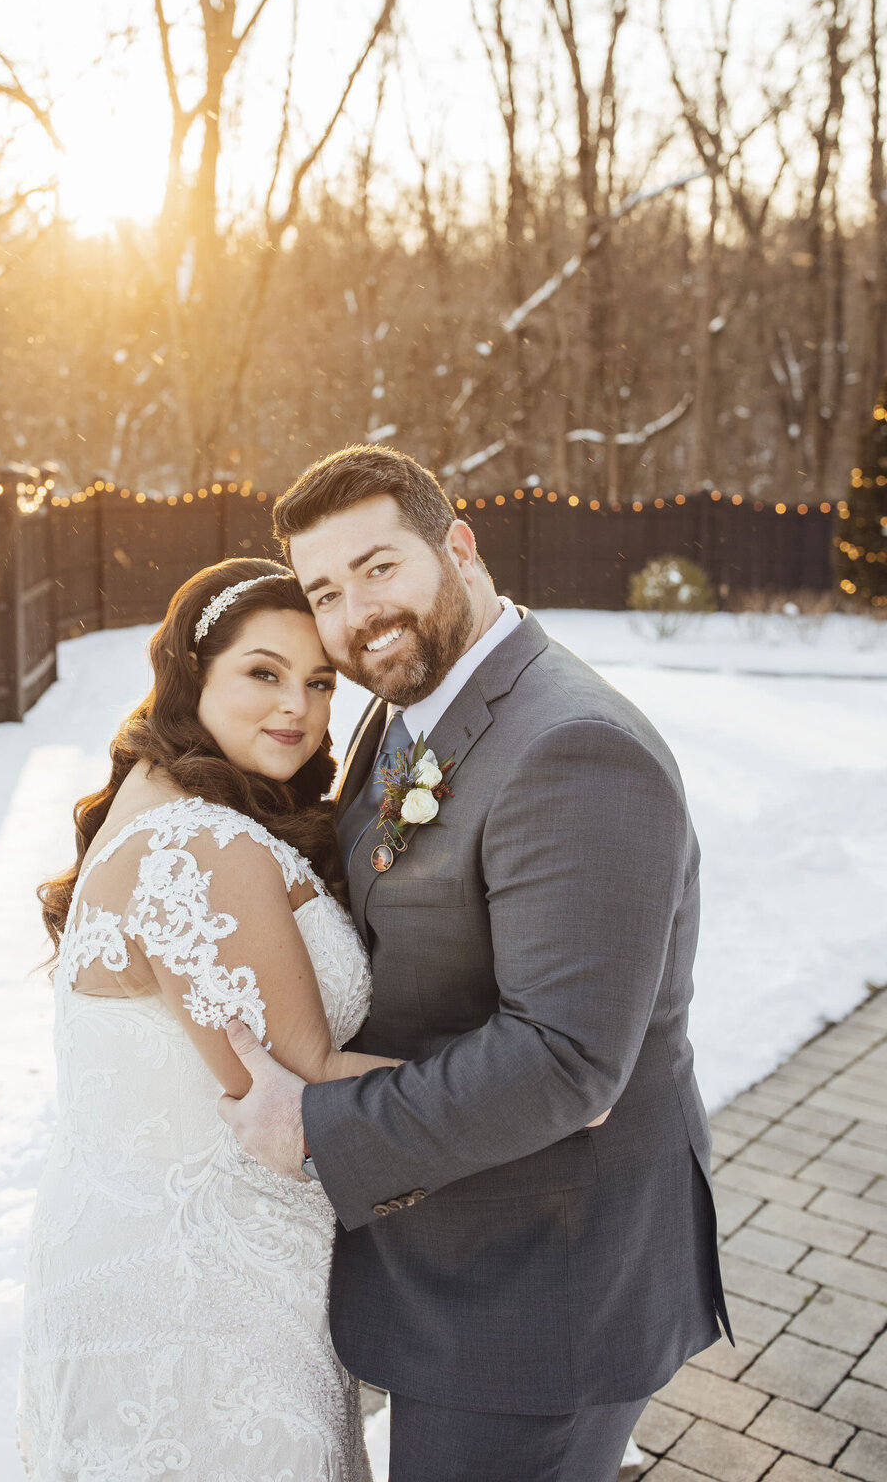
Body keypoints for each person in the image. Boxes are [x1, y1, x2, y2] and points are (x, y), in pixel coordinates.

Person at [219, 445, 730, 1482]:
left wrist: (313, 1126)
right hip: (456, 1249)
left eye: (379, 567)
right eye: (326, 592)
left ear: (458, 547)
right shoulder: (404, 704)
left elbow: (565, 1064)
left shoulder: (576, 749)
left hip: (546, 1289)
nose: (358, 614)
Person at [18, 557, 396, 1482]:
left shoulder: (170, 798)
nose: (298, 708)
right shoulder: (196, 840)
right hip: (200, 1305)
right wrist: (536, 1079)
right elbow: (303, 1091)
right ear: (193, 676)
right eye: (263, 672)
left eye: (319, 682)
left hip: (155, 1260)